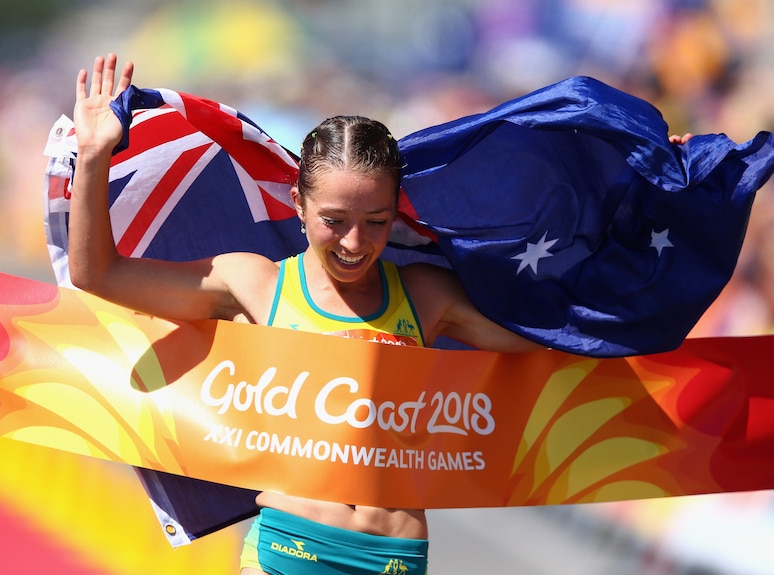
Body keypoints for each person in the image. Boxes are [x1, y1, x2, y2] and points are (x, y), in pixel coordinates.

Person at [75, 54, 698, 574]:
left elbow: (565, 337)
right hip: (292, 551)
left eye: (376, 222)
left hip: (396, 556)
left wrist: (643, 202)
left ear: (395, 210)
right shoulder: (254, 284)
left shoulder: (426, 297)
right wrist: (96, 156)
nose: (354, 243)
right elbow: (96, 274)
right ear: (297, 202)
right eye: (334, 222)